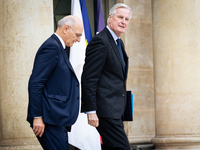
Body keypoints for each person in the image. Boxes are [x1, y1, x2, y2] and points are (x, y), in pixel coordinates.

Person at [27, 15, 83, 150]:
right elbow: (35, 83)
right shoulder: (52, 47)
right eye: (77, 35)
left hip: (56, 119)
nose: (79, 40)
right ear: (65, 29)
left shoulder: (59, 47)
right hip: (48, 119)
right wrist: (37, 117)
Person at [81, 3, 132, 150]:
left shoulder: (118, 43)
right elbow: (89, 78)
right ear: (110, 18)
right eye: (120, 17)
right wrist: (91, 110)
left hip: (116, 110)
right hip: (105, 111)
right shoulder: (100, 41)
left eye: (127, 19)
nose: (123, 21)